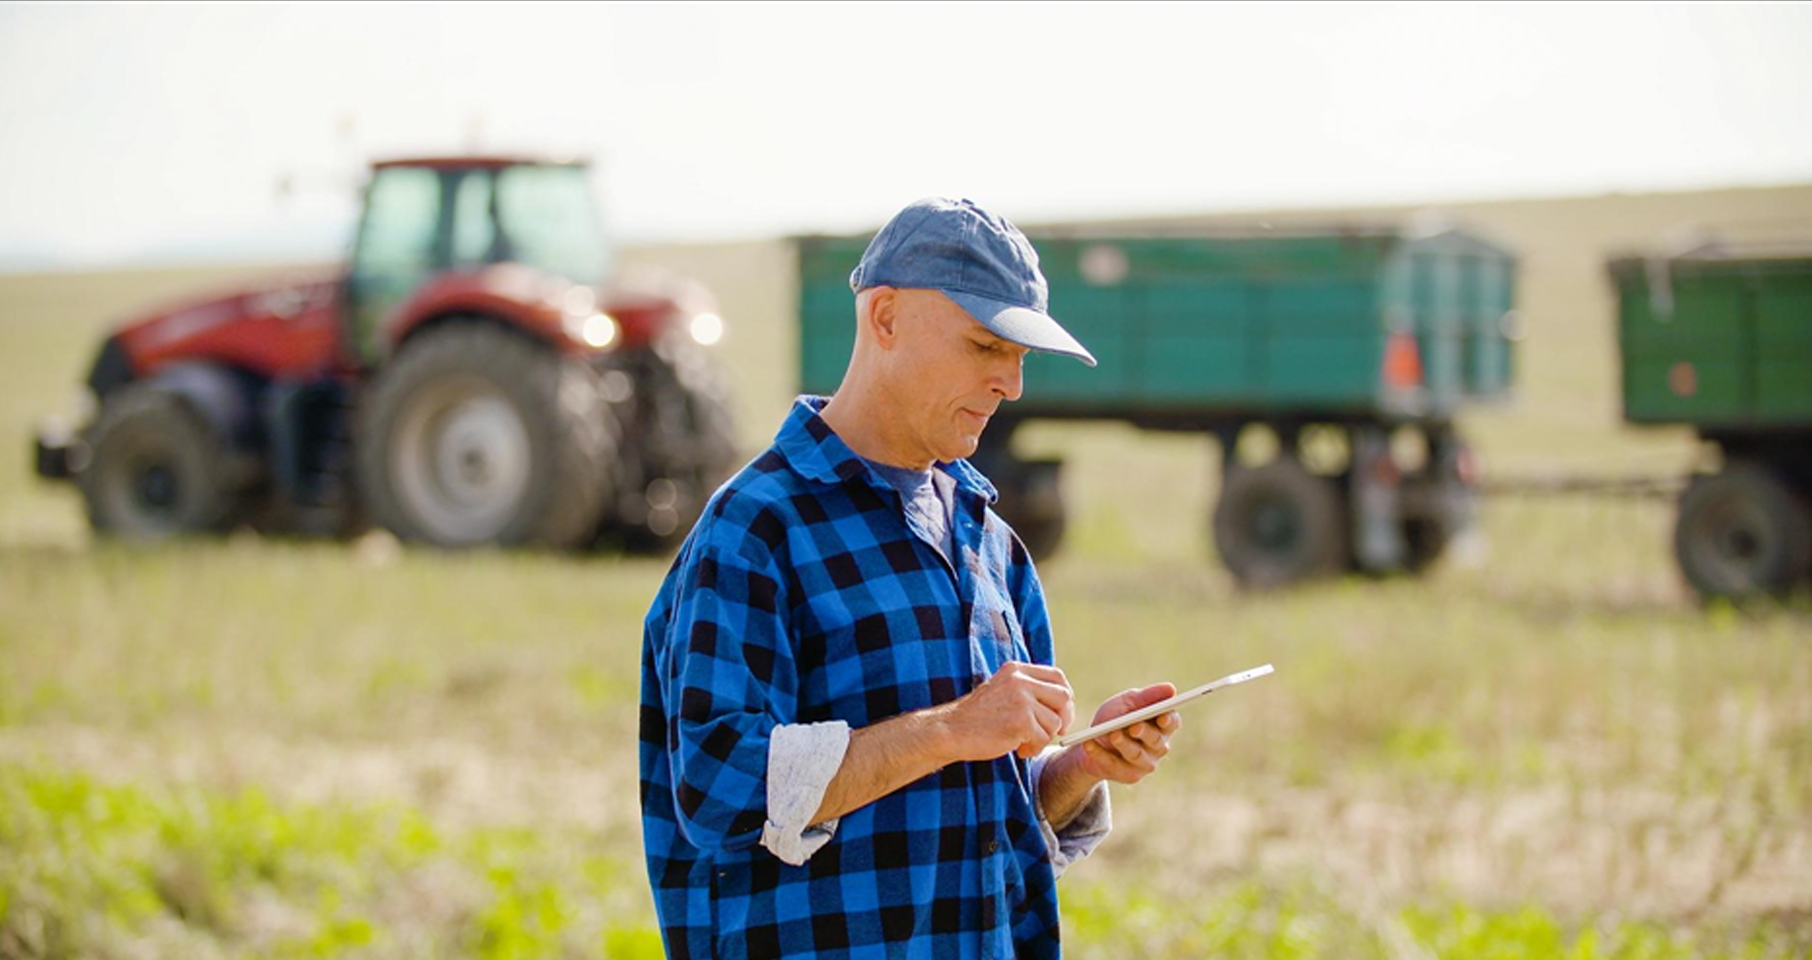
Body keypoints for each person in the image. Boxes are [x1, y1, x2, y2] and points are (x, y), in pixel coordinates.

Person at [639, 197, 1181, 960]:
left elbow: (1000, 824)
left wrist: (1081, 765)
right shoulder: (756, 529)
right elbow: (721, 790)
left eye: (1020, 355)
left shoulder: (993, 546)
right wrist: (953, 728)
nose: (1011, 384)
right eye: (985, 344)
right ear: (885, 318)